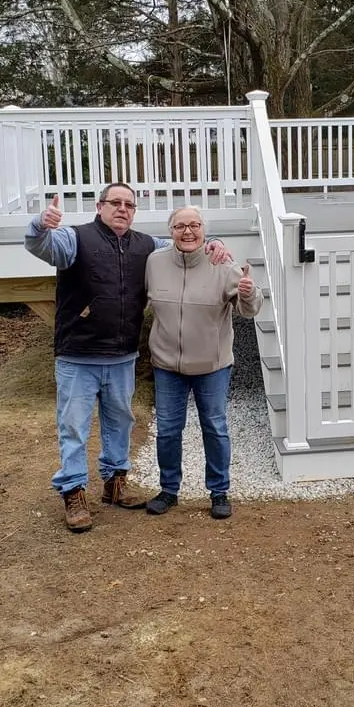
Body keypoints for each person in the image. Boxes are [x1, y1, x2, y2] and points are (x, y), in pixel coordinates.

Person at [25, 183, 230, 533]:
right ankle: (73, 490)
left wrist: (215, 244)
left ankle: (114, 482)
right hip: (78, 355)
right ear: (100, 206)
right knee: (73, 426)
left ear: (134, 211)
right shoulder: (75, 239)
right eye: (115, 203)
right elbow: (42, 246)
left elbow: (185, 246)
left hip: (122, 356)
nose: (122, 209)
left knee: (120, 422)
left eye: (129, 204)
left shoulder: (145, 246)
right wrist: (40, 225)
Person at [143, 205, 262, 520]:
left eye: (194, 225)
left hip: (212, 366)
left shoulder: (221, 264)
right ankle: (169, 490)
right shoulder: (154, 262)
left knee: (215, 427)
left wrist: (249, 293)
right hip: (167, 366)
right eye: (180, 225)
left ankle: (219, 491)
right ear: (170, 232)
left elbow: (249, 309)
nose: (187, 231)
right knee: (168, 430)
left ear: (204, 231)